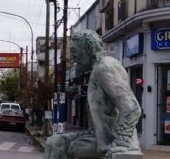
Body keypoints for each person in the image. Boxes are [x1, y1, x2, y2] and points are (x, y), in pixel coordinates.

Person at [42, 30, 142, 159]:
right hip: (99, 136)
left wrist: (121, 143)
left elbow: (132, 107)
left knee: (58, 146)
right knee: (54, 142)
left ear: (88, 48)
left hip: (113, 141)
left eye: (74, 51)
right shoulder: (98, 68)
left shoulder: (105, 67)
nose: (72, 57)